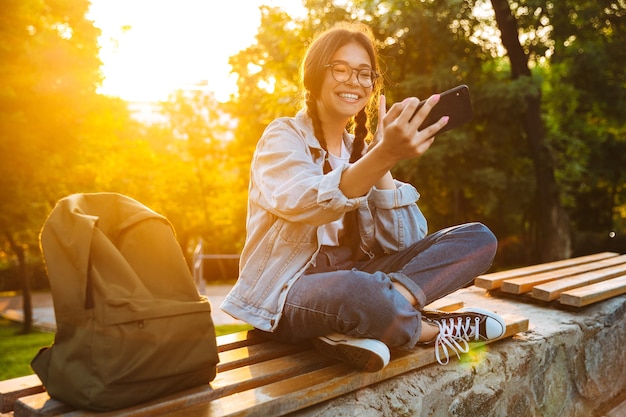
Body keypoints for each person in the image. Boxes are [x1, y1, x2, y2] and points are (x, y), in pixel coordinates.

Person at [221, 22, 505, 372]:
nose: (353, 81)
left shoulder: (365, 153)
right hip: (291, 290)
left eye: (364, 74)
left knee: (478, 238)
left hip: (361, 277)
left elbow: (406, 243)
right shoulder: (283, 137)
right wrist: (382, 155)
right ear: (314, 77)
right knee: (359, 290)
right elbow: (309, 204)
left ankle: (365, 318)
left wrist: (382, 157)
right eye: (340, 70)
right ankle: (430, 328)